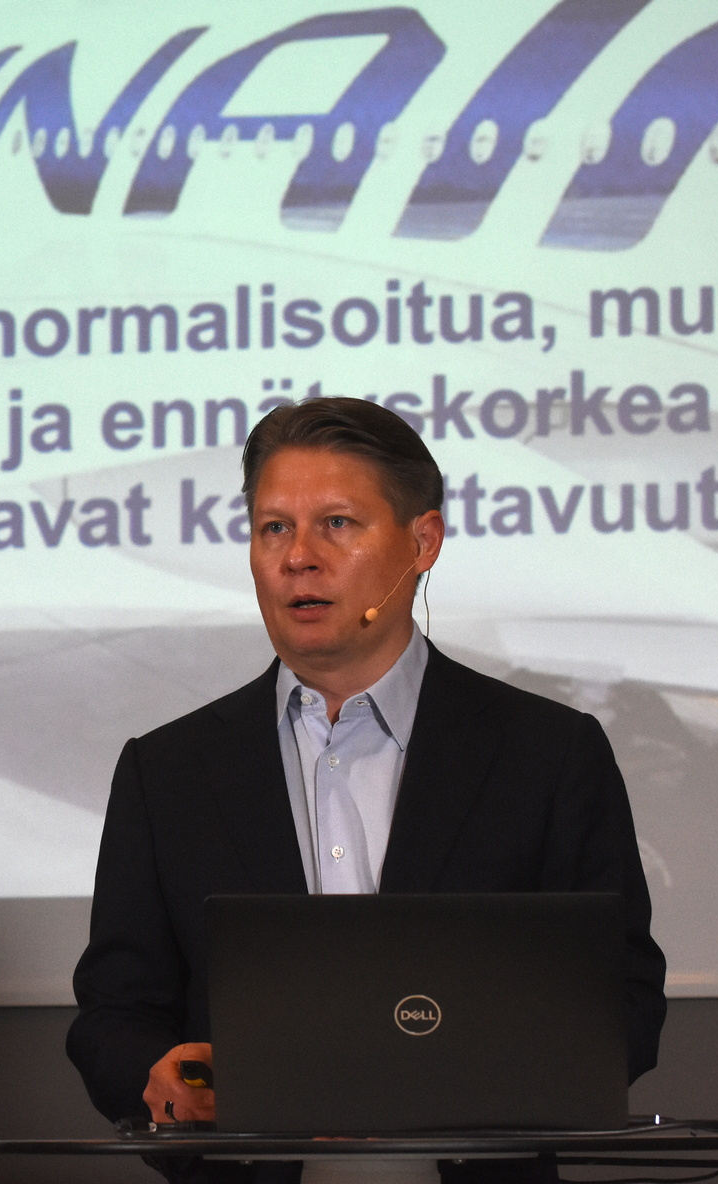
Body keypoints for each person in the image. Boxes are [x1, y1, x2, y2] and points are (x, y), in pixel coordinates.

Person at [66, 397, 667, 1183]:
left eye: (338, 524)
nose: (298, 557)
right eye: (273, 527)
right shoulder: (168, 771)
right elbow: (114, 1016)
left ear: (423, 542)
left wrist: (472, 1087)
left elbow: (623, 1002)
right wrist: (157, 1076)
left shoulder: (548, 754)